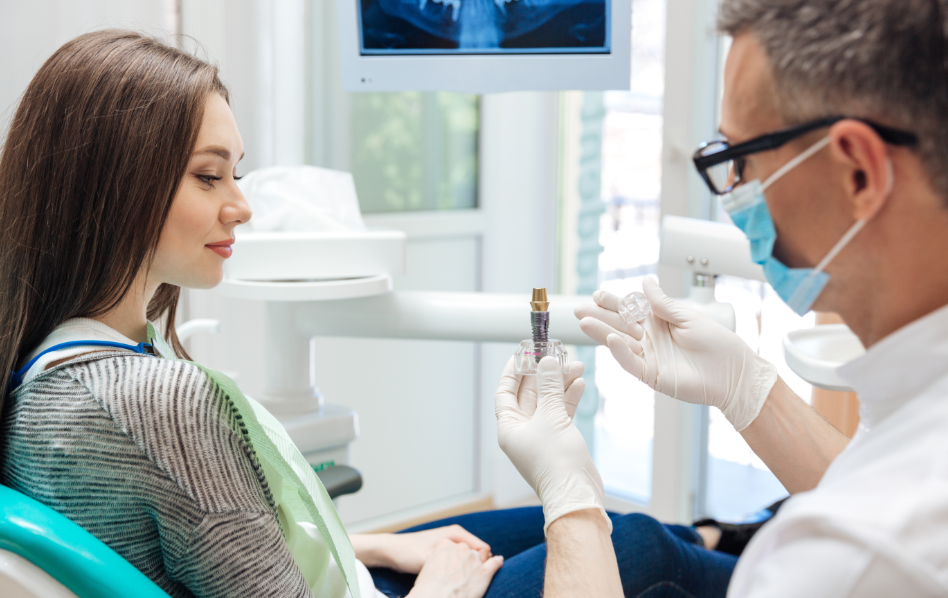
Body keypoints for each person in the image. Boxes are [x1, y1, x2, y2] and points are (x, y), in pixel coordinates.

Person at [0, 28, 752, 598]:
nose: (241, 205)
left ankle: (731, 537)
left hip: (336, 570)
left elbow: (214, 551)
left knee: (627, 527)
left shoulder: (48, 361)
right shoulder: (156, 402)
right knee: (642, 548)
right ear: (112, 184)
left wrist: (381, 545)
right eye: (208, 177)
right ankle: (789, 561)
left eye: (237, 174)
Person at [495, 0, 948, 596]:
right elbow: (872, 480)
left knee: (639, 546)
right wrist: (746, 388)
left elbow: (873, 516)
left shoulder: (848, 558)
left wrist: (569, 497)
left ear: (858, 172)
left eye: (739, 159)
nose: (733, 194)